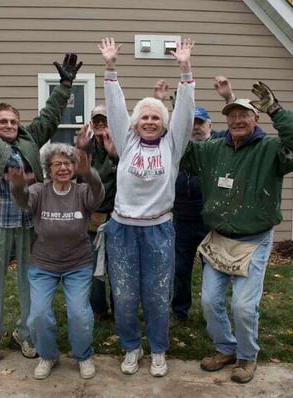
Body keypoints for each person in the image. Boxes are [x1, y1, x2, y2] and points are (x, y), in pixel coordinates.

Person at [0, 35, 83, 364]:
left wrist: (65, 84)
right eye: (2, 121)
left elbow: (50, 116)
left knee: (30, 282)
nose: (9, 125)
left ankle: (25, 331)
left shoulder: (30, 138)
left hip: (28, 226)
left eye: (12, 120)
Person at [180, 82, 293, 383]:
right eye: (232, 115)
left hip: (253, 240)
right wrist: (179, 107)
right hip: (219, 239)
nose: (237, 120)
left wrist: (276, 110)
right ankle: (225, 348)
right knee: (209, 301)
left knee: (242, 305)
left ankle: (246, 355)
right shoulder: (212, 150)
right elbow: (180, 147)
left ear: (256, 119)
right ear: (225, 121)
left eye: (244, 115)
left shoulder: (272, 150)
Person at [98, 37, 195, 377]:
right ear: (135, 123)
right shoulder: (126, 142)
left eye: (156, 117)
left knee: (156, 294)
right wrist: (110, 68)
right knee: (123, 295)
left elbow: (184, 113)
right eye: (144, 117)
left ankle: (157, 349)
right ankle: (130, 346)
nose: (150, 121)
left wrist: (185, 71)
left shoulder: (173, 143)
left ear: (164, 123)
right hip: (122, 229)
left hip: (158, 230)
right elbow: (114, 106)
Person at [9, 141, 104, 380]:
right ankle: (48, 355)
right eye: (57, 164)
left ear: (74, 167)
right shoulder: (40, 191)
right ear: (48, 169)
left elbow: (98, 195)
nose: (63, 168)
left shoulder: (81, 192)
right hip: (44, 265)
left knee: (79, 314)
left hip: (78, 264)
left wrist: (89, 174)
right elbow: (23, 201)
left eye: (68, 163)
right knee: (38, 314)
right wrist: (18, 187)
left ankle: (83, 355)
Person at [169, 76, 233, 326]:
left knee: (213, 269)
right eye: (191, 123)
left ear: (209, 126)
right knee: (179, 269)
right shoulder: (179, 146)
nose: (195, 127)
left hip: (209, 220)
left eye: (200, 123)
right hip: (181, 219)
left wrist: (228, 98)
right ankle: (179, 313)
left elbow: (236, 129)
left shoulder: (219, 144)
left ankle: (212, 313)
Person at [76, 104, 117, 321]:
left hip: (117, 216)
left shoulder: (122, 145)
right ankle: (98, 309)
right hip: (93, 218)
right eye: (97, 120)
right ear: (91, 124)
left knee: (118, 267)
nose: (101, 124)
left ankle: (119, 307)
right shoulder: (86, 149)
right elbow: (78, 180)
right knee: (93, 266)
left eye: (105, 119)